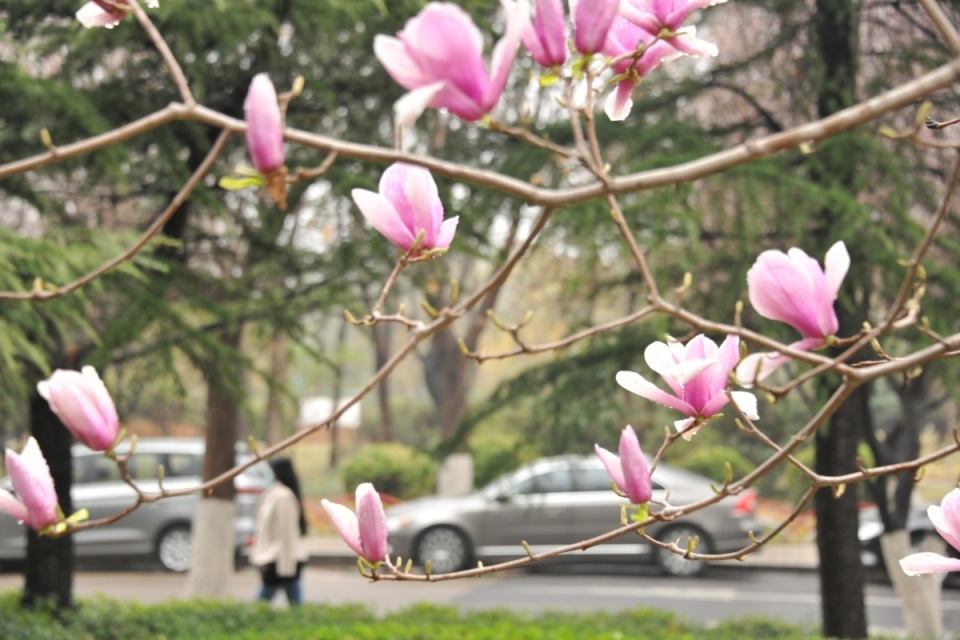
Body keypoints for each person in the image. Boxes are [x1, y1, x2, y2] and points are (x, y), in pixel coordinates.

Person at [250, 456, 308, 605]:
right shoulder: (274, 494)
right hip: (279, 560)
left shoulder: (283, 498)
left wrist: (285, 567)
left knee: (261, 603)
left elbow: (287, 534)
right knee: (295, 604)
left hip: (281, 561)